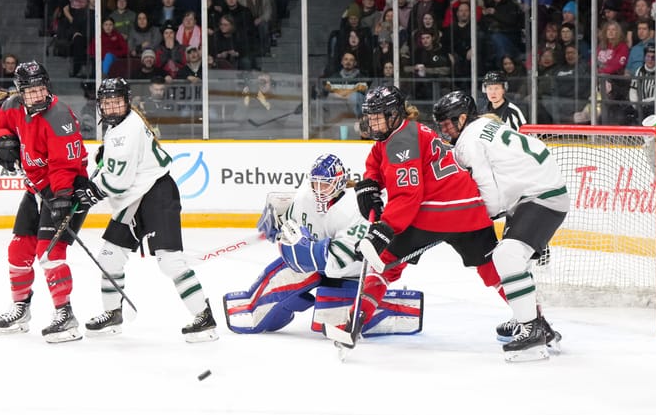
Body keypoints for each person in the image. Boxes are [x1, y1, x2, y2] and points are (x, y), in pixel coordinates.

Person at [344, 85, 513, 354]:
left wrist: (385, 228)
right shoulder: (405, 132)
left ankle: (356, 318)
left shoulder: (401, 141)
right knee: (493, 269)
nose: (373, 121)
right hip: (470, 210)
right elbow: (378, 156)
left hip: (434, 212)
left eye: (379, 116)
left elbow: (408, 195)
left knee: (385, 263)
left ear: (395, 114)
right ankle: (534, 319)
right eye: (371, 116)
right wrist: (369, 182)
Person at [73, 78, 218, 342]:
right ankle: (113, 315)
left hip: (156, 194)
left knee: (170, 261)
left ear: (127, 101)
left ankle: (204, 317)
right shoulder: (120, 126)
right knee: (109, 257)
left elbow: (118, 181)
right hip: (135, 198)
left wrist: (92, 191)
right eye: (107, 102)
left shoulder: (125, 132)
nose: (112, 107)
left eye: (117, 101)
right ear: (99, 105)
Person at [223, 154, 423, 336]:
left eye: (325, 185)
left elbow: (339, 261)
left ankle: (397, 310)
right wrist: (278, 221)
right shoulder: (304, 198)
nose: (318, 190)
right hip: (321, 267)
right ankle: (252, 306)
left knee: (329, 316)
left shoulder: (356, 209)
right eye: (315, 184)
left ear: (339, 183)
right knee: (284, 276)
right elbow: (290, 220)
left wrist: (297, 250)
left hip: (352, 273)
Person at [433, 90, 567, 361]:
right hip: (535, 194)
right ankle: (530, 320)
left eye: (448, 123)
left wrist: (474, 217)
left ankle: (532, 331)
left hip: (540, 196)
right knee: (515, 261)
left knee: (507, 256)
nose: (445, 130)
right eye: (441, 125)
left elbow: (487, 189)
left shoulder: (468, 140)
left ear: (462, 118)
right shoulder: (485, 125)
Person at [0, 60, 89, 343]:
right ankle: (20, 308)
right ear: (20, 91)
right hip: (36, 188)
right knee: (18, 251)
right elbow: (4, 122)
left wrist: (61, 198)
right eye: (29, 90)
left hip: (67, 189)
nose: (36, 95)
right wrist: (4, 140)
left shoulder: (59, 116)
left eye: (40, 88)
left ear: (47, 86)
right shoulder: (13, 105)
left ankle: (66, 315)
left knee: (48, 253)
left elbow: (64, 166)